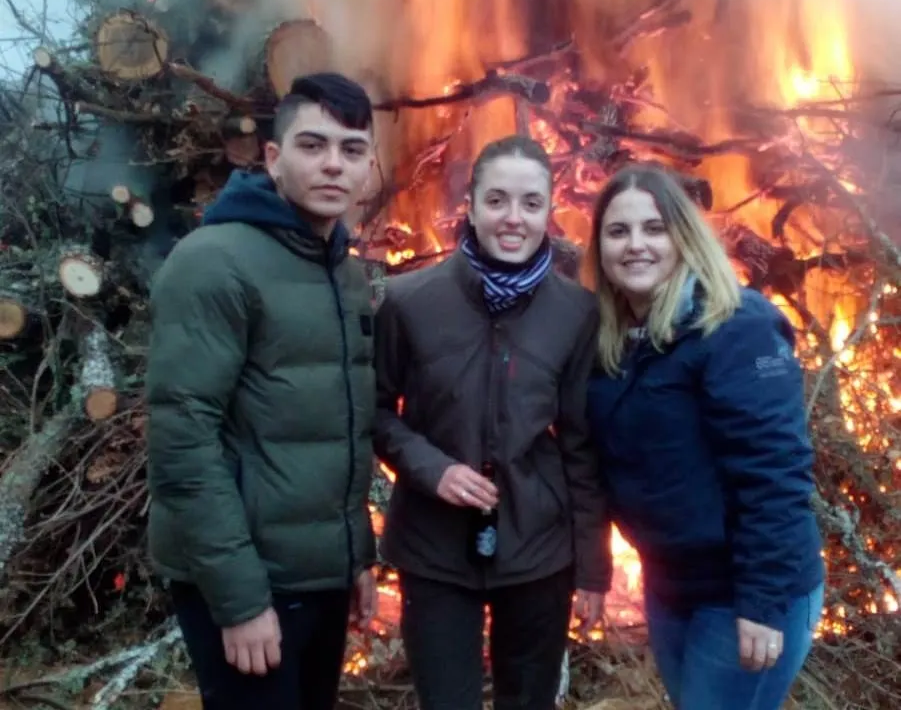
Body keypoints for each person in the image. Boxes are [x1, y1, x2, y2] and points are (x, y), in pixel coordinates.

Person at [145, 72, 379, 710]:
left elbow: (338, 427)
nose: (334, 164)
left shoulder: (345, 273)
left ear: (367, 167)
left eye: (352, 149)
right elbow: (183, 441)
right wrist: (241, 599)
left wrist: (355, 556)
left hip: (319, 576)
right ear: (273, 158)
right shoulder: (212, 262)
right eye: (313, 145)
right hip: (250, 585)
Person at [374, 135, 610, 710]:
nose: (514, 218)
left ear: (549, 211)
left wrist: (594, 567)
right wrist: (433, 469)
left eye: (531, 203)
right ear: (471, 206)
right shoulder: (408, 301)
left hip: (538, 550)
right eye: (497, 200)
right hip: (433, 550)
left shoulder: (576, 312)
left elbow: (581, 444)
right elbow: (375, 413)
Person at [584, 163, 825, 710]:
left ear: (684, 237)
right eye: (618, 232)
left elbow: (774, 475)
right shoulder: (611, 341)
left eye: (654, 228)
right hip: (671, 587)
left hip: (745, 592)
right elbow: (598, 466)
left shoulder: (736, 326)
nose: (635, 245)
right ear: (599, 248)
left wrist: (761, 604)